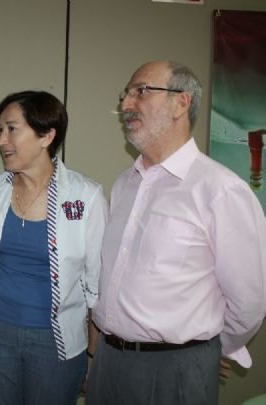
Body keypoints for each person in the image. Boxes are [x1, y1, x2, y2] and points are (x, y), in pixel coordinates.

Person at [87, 61, 266, 404]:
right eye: (125, 95)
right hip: (109, 362)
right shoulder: (125, 184)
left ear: (181, 103)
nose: (126, 104)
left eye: (140, 92)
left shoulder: (220, 190)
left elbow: (250, 302)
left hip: (176, 370)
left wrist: (205, 348)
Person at [0, 90, 108, 404]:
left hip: (57, 342)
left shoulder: (86, 196)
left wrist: (94, 355)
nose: (1, 141)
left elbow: (96, 286)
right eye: (0, 130)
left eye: (12, 128)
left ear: (46, 135)